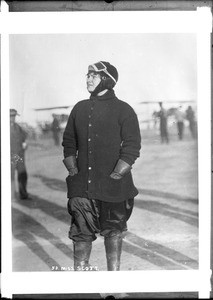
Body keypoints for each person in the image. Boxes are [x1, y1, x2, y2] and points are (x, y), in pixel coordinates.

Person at [62, 61, 141, 271]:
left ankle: (113, 281)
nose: (88, 79)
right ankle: (81, 283)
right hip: (82, 187)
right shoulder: (79, 108)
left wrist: (118, 172)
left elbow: (132, 145)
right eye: (87, 75)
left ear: (106, 79)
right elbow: (69, 141)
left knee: (113, 231)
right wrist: (72, 169)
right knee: (81, 232)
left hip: (114, 186)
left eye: (93, 76)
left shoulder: (124, 110)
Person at [10, 109, 30, 200]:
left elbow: (24, 137)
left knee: (22, 174)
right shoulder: (3, 127)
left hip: (20, 155)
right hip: (10, 155)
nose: (13, 118)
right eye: (11, 116)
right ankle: (11, 195)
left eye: (14, 116)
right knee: (10, 176)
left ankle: (23, 194)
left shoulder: (17, 126)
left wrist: (25, 143)